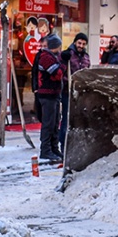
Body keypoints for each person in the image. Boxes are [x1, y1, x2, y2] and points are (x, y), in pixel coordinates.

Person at [32, 32, 65, 162]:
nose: (60, 49)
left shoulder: (52, 56)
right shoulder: (46, 57)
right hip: (47, 95)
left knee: (55, 122)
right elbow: (57, 73)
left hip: (54, 94)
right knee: (48, 123)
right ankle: (45, 150)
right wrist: (62, 63)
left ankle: (54, 148)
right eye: (59, 46)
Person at [59, 32, 90, 142]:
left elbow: (87, 72)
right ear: (75, 42)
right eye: (79, 43)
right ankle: (63, 143)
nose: (81, 46)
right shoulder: (68, 54)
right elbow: (60, 70)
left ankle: (75, 142)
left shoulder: (86, 57)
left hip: (80, 92)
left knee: (78, 119)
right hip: (68, 91)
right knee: (67, 119)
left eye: (83, 44)